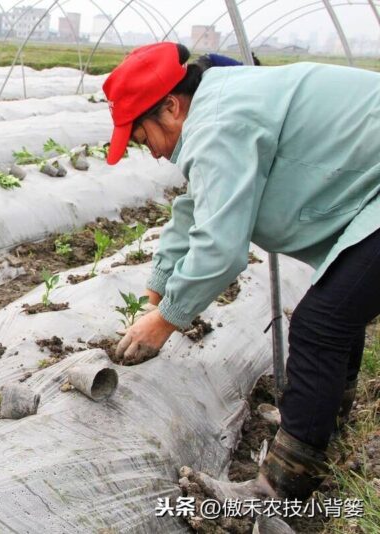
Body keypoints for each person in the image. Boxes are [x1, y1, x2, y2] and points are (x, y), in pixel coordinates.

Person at [103, 43, 380, 503]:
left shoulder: (217, 125)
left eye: (141, 136)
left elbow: (221, 249)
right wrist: (155, 294)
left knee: (322, 321)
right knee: (336, 303)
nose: (149, 153)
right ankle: (322, 424)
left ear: (171, 107)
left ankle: (278, 490)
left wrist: (165, 321)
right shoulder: (218, 106)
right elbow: (192, 212)